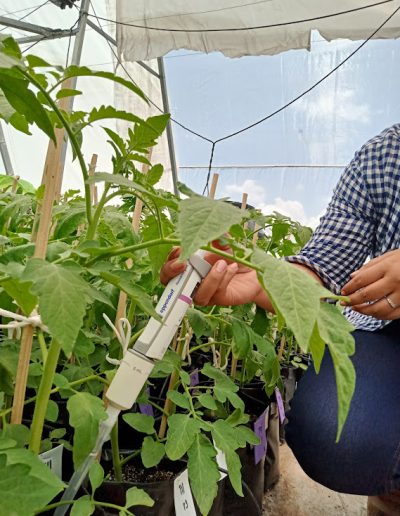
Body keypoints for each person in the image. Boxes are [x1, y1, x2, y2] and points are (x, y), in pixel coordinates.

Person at [160, 124, 400, 515]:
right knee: (337, 432)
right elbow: (324, 264)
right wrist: (260, 278)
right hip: (389, 329)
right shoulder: (387, 153)